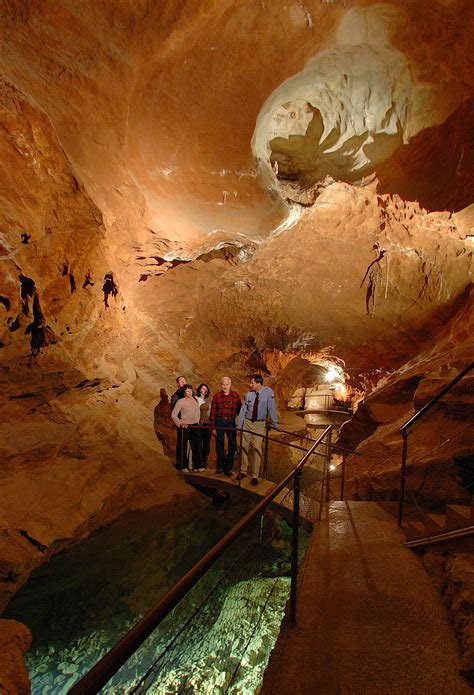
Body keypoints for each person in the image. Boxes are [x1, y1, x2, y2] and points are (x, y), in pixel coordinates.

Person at [237, 374, 278, 486]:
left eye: (252, 383)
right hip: (247, 422)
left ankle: (255, 475)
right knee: (244, 447)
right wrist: (239, 426)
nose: (250, 385)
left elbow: (271, 408)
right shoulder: (248, 394)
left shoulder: (268, 392)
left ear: (259, 383)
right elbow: (243, 411)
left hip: (259, 424)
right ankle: (243, 471)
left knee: (256, 448)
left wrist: (276, 424)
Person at [209, 376, 241, 476]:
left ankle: (228, 468)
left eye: (227, 384)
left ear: (230, 385)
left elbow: (240, 412)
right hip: (219, 421)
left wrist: (238, 426)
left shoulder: (235, 396)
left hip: (231, 422)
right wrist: (213, 427)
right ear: (221, 385)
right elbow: (212, 412)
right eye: (223, 384)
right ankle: (219, 466)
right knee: (219, 444)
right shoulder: (217, 396)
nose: (225, 386)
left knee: (232, 444)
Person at [171, 384, 204, 472]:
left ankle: (198, 466)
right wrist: (180, 423)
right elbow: (173, 415)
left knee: (197, 446)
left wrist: (198, 421)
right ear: (184, 392)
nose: (190, 392)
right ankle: (183, 466)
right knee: (183, 447)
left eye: (190, 390)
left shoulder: (194, 399)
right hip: (185, 426)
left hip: (195, 425)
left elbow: (198, 412)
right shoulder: (180, 401)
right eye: (187, 391)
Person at [171, 376, 187, 467]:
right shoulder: (175, 396)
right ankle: (180, 462)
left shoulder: (190, 394)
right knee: (181, 442)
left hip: (191, 422)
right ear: (177, 384)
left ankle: (188, 463)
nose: (183, 382)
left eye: (184, 380)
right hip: (181, 423)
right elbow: (174, 411)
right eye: (181, 381)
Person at [195, 383, 211, 468]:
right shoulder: (196, 399)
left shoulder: (209, 399)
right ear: (200, 389)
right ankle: (199, 462)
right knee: (198, 443)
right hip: (199, 423)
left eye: (206, 389)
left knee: (206, 444)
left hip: (207, 424)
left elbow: (210, 411)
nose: (204, 390)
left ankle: (204, 461)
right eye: (203, 388)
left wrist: (210, 421)